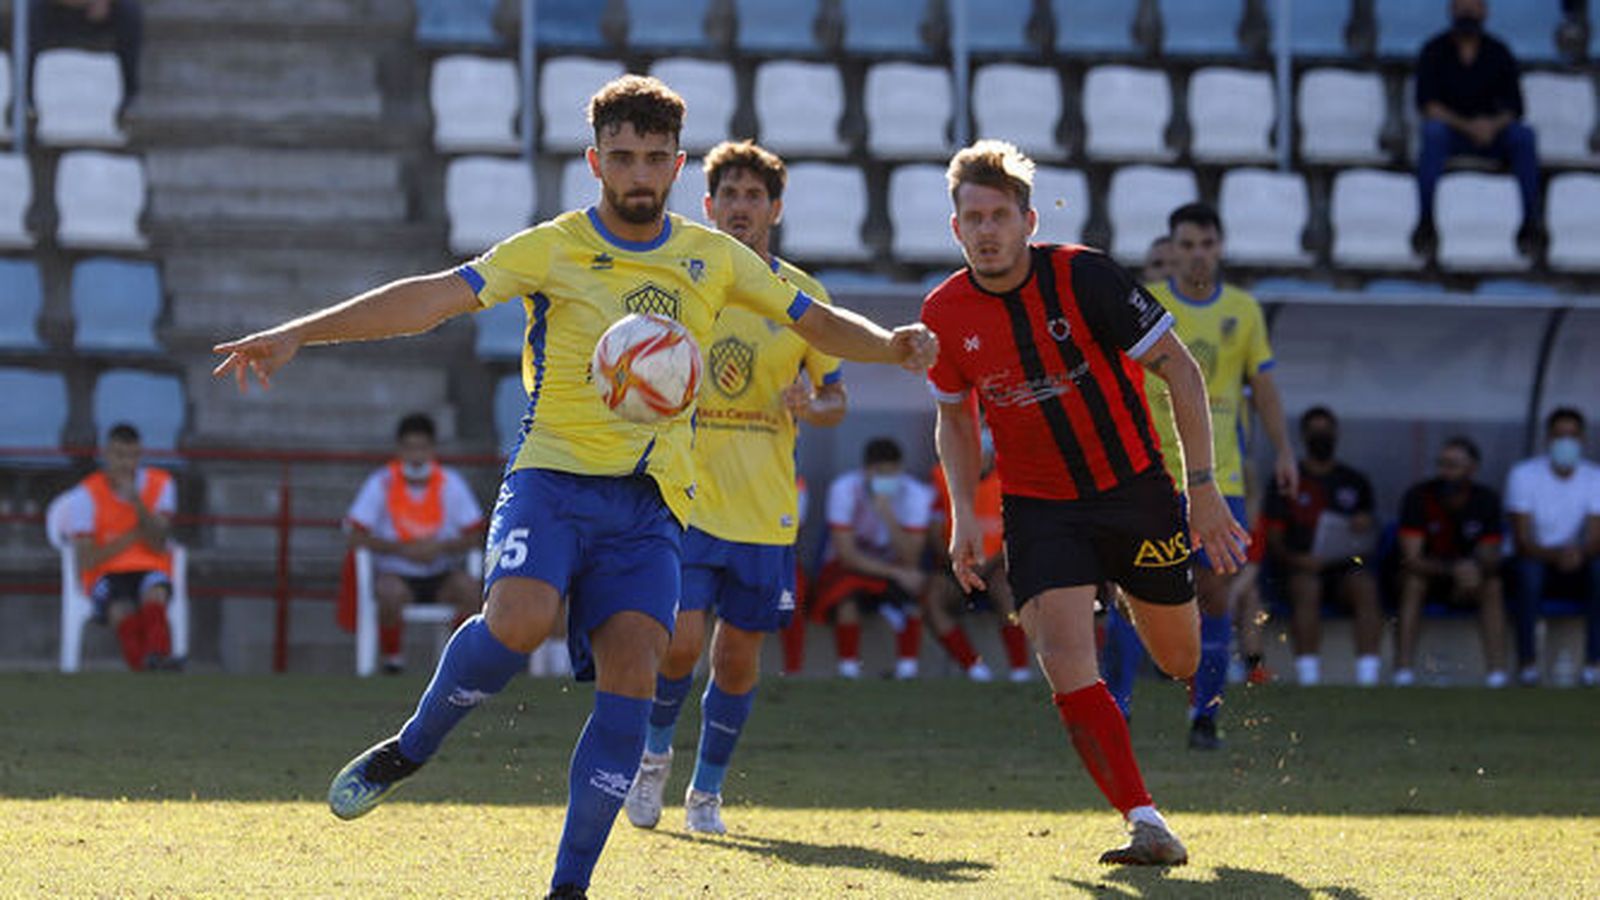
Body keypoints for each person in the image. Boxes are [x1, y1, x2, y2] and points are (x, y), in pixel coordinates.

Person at [211, 75, 937, 900]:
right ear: (595, 160)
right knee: (518, 619)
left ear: (675, 166)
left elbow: (811, 319)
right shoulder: (553, 246)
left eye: (654, 159)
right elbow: (429, 304)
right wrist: (299, 332)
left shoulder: (715, 257)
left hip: (653, 502)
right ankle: (412, 745)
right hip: (552, 481)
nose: (637, 172)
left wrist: (891, 344)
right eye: (622, 156)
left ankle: (568, 889)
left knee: (639, 674)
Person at [923, 139, 1249, 866]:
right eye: (972, 217)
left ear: (1028, 221)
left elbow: (1181, 370)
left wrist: (1203, 492)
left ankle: (1133, 591)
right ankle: (1145, 821)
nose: (986, 230)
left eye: (1000, 215)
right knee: (1064, 655)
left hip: (1134, 492)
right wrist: (963, 516)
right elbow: (952, 416)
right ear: (955, 229)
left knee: (1178, 659)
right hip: (1040, 509)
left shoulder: (1084, 277)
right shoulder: (944, 311)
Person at [622, 139, 847, 836]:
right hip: (686, 503)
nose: (742, 208)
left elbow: (837, 395)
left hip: (765, 511)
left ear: (774, 210)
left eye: (756, 197)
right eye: (731, 196)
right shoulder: (681, 282)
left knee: (739, 656)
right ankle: (652, 758)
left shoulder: (803, 297)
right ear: (709, 206)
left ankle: (707, 794)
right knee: (680, 644)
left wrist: (814, 405)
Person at [1102, 202, 1296, 750]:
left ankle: (1203, 716)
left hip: (1220, 481)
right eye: (1186, 246)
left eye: (1205, 245)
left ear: (1219, 248)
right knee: (1131, 593)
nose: (1196, 255)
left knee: (1214, 597)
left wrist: (1285, 450)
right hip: (1149, 477)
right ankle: (1116, 711)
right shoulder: (1150, 305)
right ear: (1174, 249)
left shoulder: (1243, 310)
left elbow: (1263, 388)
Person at [342, 413, 486, 675]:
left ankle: (458, 665)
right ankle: (393, 662)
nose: (416, 455)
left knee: (472, 590)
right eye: (409, 448)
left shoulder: (451, 484)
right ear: (399, 450)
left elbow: (477, 535)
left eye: (422, 448)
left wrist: (439, 547)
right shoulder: (381, 483)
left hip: (441, 573)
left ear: (432, 450)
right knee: (388, 592)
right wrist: (403, 549)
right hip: (397, 574)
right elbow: (354, 534)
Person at [1412, 0, 1545, 259]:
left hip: (1493, 135)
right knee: (1432, 133)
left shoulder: (1499, 52)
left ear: (1485, 11)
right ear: (1451, 10)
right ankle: (1426, 223)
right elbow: (1428, 106)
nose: (1467, 12)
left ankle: (1531, 225)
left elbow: (1514, 108)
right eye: (1462, 6)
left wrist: (1491, 125)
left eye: (1474, 6)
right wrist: (1467, 126)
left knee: (1524, 137)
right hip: (1453, 133)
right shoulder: (1434, 51)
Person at [1263, 407, 1383, 687]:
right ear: (1304, 436)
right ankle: (1309, 676)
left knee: (1364, 585)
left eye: (1327, 431)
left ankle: (1368, 677)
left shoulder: (1355, 481)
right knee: (1307, 586)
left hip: (1343, 568)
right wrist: (1299, 560)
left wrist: (1363, 527)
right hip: (1298, 569)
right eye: (1315, 431)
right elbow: (1274, 540)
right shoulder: (1286, 479)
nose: (1322, 437)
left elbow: (1369, 543)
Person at [57, 422, 178, 671]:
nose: (125, 464)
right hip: (106, 572)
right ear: (106, 455)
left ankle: (157, 657)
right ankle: (145, 666)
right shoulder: (85, 495)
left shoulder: (161, 484)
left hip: (149, 565)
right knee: (119, 609)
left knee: (154, 594)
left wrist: (137, 503)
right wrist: (134, 535)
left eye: (132, 456)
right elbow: (88, 560)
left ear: (140, 455)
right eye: (119, 455)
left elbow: (157, 544)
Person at [811, 438, 935, 680]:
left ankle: (907, 670)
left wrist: (886, 513)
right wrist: (896, 573)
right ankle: (848, 670)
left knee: (913, 599)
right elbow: (846, 556)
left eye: (892, 473)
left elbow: (911, 557)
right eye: (880, 473)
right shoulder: (844, 489)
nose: (887, 479)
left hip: (893, 565)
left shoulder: (916, 494)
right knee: (846, 602)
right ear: (866, 471)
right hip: (850, 568)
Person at [1394, 437, 1508, 687]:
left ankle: (1497, 675)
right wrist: (1452, 569)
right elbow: (1412, 558)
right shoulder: (1419, 496)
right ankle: (1402, 672)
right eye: (1442, 464)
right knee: (1413, 583)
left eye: (1454, 465)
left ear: (1472, 469)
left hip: (1469, 580)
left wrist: (1475, 568)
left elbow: (1491, 552)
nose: (1446, 472)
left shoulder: (1486, 499)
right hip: (1429, 576)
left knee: (1493, 586)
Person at [925, 425, 1034, 682]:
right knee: (932, 599)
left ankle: (1020, 671)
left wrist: (988, 564)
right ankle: (975, 670)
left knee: (1008, 594)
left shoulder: (1010, 482)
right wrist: (956, 561)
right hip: (955, 566)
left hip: (996, 565)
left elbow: (1018, 535)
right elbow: (933, 531)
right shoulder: (942, 480)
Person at [1505, 407, 1600, 687]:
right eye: (1560, 435)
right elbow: (1522, 539)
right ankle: (1528, 666)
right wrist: (1557, 555)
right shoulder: (1524, 474)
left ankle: (1594, 665)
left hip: (1578, 562)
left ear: (1583, 439)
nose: (1566, 442)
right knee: (1529, 575)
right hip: (1535, 559)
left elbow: (1596, 536)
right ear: (1548, 438)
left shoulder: (1595, 476)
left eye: (1572, 435)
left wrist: (1579, 553)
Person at [28, 0, 144, 105]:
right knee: (28, 12)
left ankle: (125, 95)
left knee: (129, 11)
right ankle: (28, 95)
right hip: (55, 8)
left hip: (100, 10)